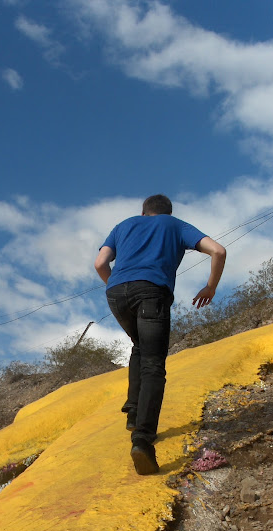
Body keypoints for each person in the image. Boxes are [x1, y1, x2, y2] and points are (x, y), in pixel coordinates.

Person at [94, 194, 226, 475]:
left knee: (139, 345)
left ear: (144, 213)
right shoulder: (174, 225)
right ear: (168, 212)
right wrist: (210, 287)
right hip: (151, 292)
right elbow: (218, 251)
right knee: (153, 364)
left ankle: (133, 410)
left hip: (116, 293)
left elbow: (100, 264)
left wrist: (118, 284)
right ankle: (142, 439)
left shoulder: (123, 226)